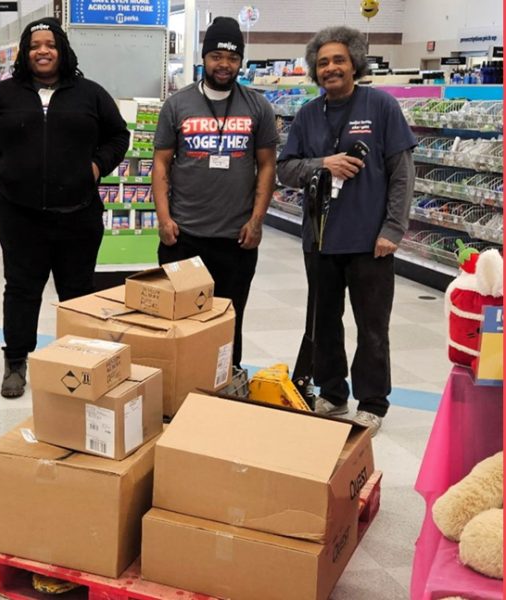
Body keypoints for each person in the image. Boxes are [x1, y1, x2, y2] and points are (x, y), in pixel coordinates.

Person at [0, 17, 130, 398]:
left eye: (50, 44)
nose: (43, 50)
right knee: (22, 290)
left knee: (77, 291)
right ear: (25, 52)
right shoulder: (4, 94)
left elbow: (117, 134)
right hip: (20, 215)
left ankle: (78, 360)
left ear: (62, 50)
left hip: (79, 214)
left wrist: (95, 167)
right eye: (35, 45)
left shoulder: (89, 93)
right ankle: (16, 362)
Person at [277, 25, 416, 436]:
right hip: (319, 239)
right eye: (322, 63)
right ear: (314, 71)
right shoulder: (307, 114)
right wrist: (324, 164)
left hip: (371, 241)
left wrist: (393, 227)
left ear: (355, 62)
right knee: (325, 322)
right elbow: (286, 169)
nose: (331, 68)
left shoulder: (381, 107)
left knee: (372, 325)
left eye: (339, 60)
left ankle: (372, 401)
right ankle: (333, 393)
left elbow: (401, 174)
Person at [152, 16, 278, 369]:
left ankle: (225, 384)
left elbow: (268, 164)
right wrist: (164, 219)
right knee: (179, 322)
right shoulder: (177, 105)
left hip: (236, 239)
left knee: (229, 320)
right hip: (184, 237)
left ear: (241, 61)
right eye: (217, 56)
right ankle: (180, 384)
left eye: (233, 58)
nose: (224, 64)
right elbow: (160, 163)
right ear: (204, 58)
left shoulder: (257, 106)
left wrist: (257, 220)